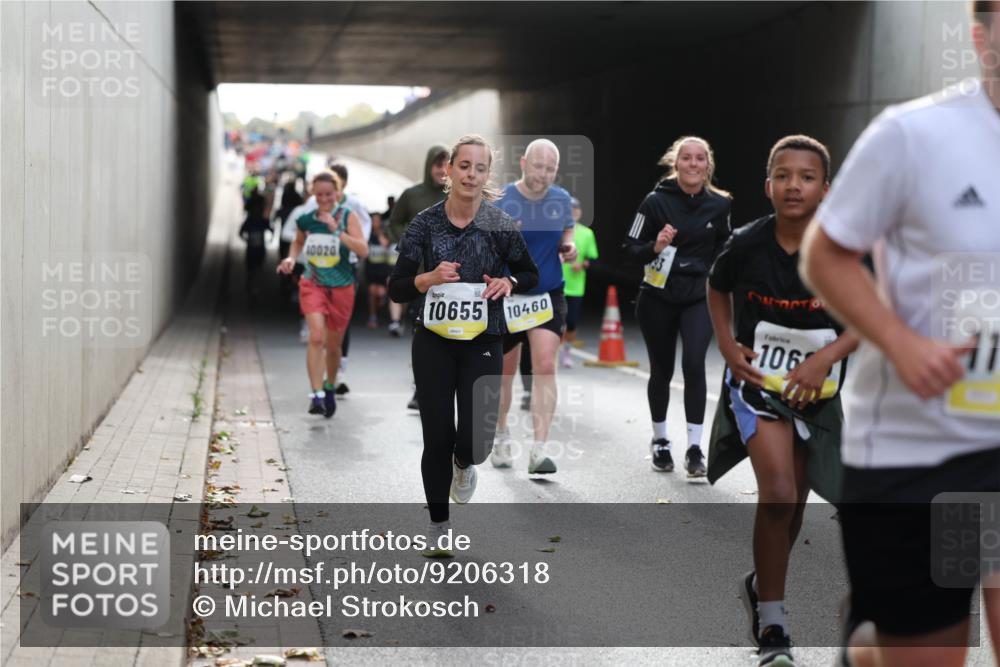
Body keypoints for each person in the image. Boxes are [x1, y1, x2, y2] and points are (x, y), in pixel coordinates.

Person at [800, 5, 1000, 665]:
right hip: (923, 448)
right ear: (980, 38)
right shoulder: (913, 136)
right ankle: (869, 649)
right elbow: (826, 253)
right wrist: (902, 342)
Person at [707, 135, 858, 667]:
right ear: (767, 185)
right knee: (775, 491)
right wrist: (727, 344)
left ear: (826, 188)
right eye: (784, 175)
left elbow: (869, 313)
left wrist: (824, 358)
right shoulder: (747, 243)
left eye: (807, 176)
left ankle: (758, 585)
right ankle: (773, 625)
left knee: (793, 499)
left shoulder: (842, 248)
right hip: (761, 387)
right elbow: (717, 286)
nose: (795, 185)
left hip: (816, 393)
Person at [387, 134, 538, 547]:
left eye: (480, 167)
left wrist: (508, 281)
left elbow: (530, 274)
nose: (472, 174)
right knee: (436, 435)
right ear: (449, 170)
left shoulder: (499, 224)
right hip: (433, 339)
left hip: (483, 339)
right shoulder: (425, 223)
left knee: (477, 439)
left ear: (488, 174)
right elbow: (397, 287)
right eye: (464, 165)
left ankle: (464, 461)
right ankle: (439, 526)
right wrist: (429, 278)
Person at [622, 136, 732, 476]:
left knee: (695, 363)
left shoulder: (720, 204)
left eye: (700, 159)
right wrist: (655, 246)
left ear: (708, 165)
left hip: (698, 295)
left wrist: (721, 278)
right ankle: (660, 442)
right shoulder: (655, 202)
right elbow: (629, 246)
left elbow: (726, 249)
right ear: (676, 163)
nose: (694, 164)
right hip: (658, 297)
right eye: (687, 158)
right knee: (662, 370)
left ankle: (696, 447)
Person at [491, 139, 577, 474]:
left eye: (551, 168)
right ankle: (500, 435)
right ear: (524, 163)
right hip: (508, 295)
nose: (543, 174)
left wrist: (568, 246)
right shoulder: (501, 199)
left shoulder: (561, 198)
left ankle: (539, 449)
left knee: (545, 364)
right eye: (538, 166)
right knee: (504, 373)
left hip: (547, 293)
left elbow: (566, 231)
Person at [277, 171, 368, 418]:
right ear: (313, 194)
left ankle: (329, 386)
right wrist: (291, 258)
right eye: (319, 195)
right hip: (313, 283)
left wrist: (337, 231)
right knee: (316, 337)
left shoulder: (348, 217)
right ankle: (316, 394)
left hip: (341, 286)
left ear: (337, 193)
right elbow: (297, 242)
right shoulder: (306, 219)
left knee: (334, 345)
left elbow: (363, 249)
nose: (324, 199)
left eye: (329, 194)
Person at [387, 144, 450, 411]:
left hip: (452, 278)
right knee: (423, 335)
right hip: (420, 278)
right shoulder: (412, 196)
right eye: (437, 165)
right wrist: (409, 243)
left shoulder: (457, 196)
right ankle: (420, 388)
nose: (442, 171)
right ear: (428, 166)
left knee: (450, 335)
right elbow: (394, 221)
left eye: (447, 165)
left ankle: (448, 387)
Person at [328, 163, 373, 397]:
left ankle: (339, 372)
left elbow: (365, 229)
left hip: (348, 265)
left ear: (343, 183)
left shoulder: (353, 205)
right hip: (322, 267)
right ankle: (327, 372)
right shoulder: (318, 205)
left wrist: (353, 245)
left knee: (341, 319)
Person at [560, 197, 599, 368]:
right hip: (557, 284)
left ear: (580, 213)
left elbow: (593, 259)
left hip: (576, 286)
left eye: (576, 211)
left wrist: (582, 265)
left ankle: (567, 351)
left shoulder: (587, 233)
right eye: (570, 211)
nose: (573, 214)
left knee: (572, 322)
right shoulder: (557, 231)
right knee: (555, 322)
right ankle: (553, 351)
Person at [239, 190, 272, 298]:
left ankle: (252, 286)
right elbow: (271, 230)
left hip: (253, 249)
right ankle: (254, 287)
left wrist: (247, 240)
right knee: (255, 269)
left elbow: (240, 233)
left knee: (253, 269)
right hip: (258, 249)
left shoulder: (252, 221)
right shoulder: (261, 220)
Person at [365, 213, 392, 328]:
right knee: (372, 292)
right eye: (372, 220)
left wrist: (379, 232)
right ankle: (373, 316)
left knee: (381, 294)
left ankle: (382, 303)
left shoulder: (385, 233)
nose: (374, 223)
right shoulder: (367, 233)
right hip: (371, 267)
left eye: (376, 220)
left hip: (383, 268)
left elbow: (385, 244)